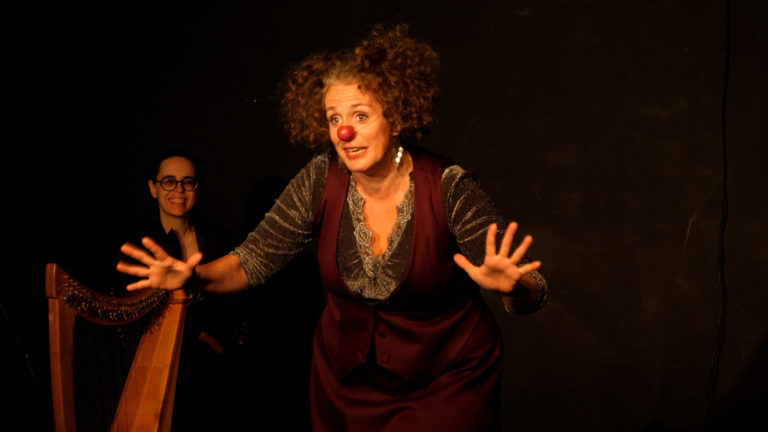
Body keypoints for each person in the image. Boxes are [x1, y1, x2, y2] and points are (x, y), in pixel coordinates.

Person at [118, 24, 547, 431]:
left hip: (447, 382)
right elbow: (252, 261)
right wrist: (194, 276)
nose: (343, 131)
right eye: (333, 117)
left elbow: (533, 290)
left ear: (396, 118)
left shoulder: (449, 186)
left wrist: (512, 288)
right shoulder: (320, 178)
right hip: (348, 386)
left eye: (360, 115)